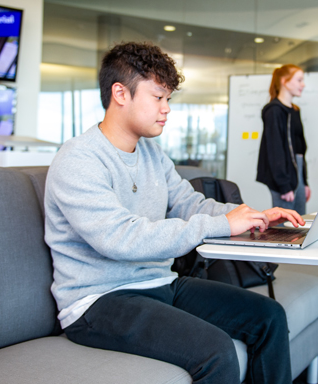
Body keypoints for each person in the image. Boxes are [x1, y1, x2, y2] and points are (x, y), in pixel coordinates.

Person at [44, 42, 304, 384]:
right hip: (98, 301)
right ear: (120, 93)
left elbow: (190, 203)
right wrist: (220, 226)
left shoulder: (151, 153)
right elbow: (120, 238)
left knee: (268, 316)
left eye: (168, 99)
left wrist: (253, 216)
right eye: (158, 97)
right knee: (217, 351)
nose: (166, 109)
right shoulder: (78, 159)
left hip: (160, 283)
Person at [256, 64, 310, 215]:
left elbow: (299, 149)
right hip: (282, 176)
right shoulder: (274, 111)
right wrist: (284, 185)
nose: (303, 84)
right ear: (284, 81)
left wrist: (304, 182)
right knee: (284, 226)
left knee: (299, 221)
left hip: (297, 173)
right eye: (299, 80)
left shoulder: (295, 110)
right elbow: (275, 150)